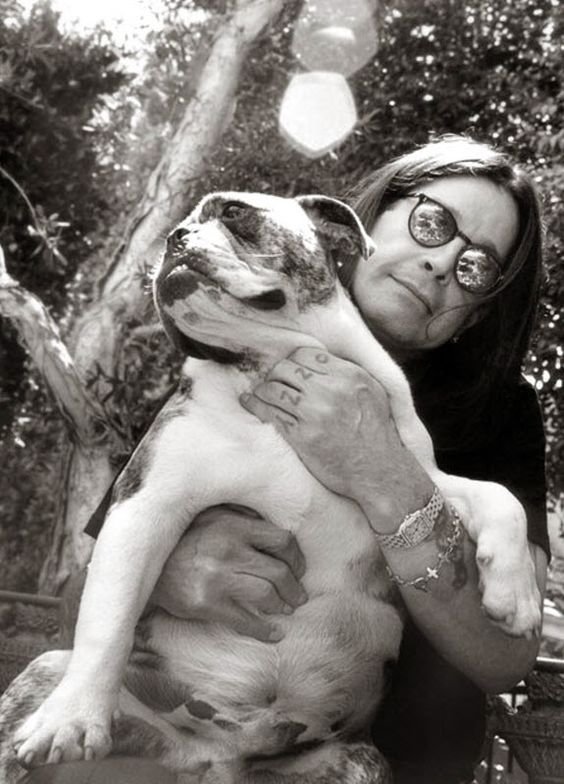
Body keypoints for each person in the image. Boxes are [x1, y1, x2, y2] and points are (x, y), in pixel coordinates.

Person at [23, 134, 550, 784]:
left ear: (477, 312)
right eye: (433, 221)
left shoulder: (500, 414)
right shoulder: (222, 359)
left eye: (476, 267)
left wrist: (383, 473)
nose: (444, 262)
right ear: (363, 225)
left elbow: (507, 655)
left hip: (365, 763)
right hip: (162, 737)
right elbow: (78, 601)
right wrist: (167, 570)